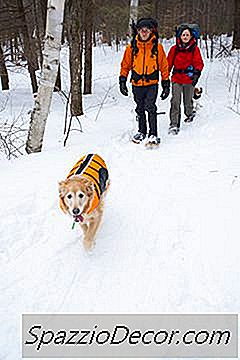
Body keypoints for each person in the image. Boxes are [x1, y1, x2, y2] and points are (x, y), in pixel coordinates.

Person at [119, 18, 170, 146]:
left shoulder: (157, 47)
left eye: (147, 30)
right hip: (136, 84)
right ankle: (142, 131)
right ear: (138, 31)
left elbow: (164, 66)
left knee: (150, 106)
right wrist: (122, 81)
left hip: (152, 83)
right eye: (142, 30)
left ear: (151, 31)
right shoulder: (132, 47)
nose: (144, 32)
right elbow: (125, 65)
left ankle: (153, 133)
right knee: (140, 108)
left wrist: (166, 84)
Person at [167, 24, 204, 135]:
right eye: (183, 34)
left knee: (187, 101)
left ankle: (190, 113)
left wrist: (196, 74)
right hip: (176, 79)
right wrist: (165, 76)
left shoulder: (194, 49)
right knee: (175, 101)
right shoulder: (174, 49)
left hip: (189, 79)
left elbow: (199, 63)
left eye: (187, 34)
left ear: (191, 36)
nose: (185, 37)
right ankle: (174, 124)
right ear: (180, 36)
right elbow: (167, 63)